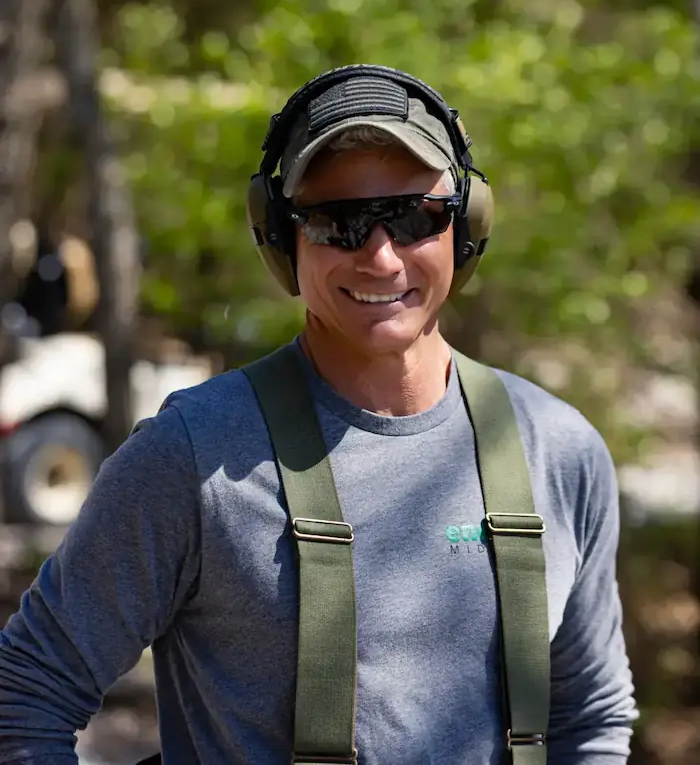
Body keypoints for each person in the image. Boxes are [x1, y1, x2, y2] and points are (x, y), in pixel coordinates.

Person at [0, 64, 637, 764]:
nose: (381, 256)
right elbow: (25, 691)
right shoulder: (193, 453)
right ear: (281, 240)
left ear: (465, 226)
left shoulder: (558, 447)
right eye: (338, 223)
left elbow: (592, 714)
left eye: (413, 217)